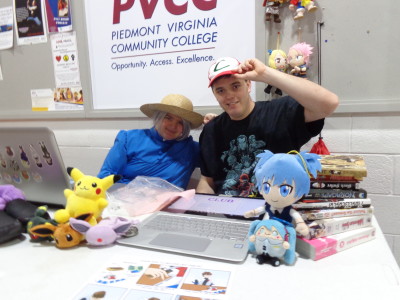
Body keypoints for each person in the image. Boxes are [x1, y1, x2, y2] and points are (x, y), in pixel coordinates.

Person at [197, 57, 339, 196]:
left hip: (275, 213)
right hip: (230, 215)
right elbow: (207, 181)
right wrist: (197, 215)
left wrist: (265, 73)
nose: (229, 96)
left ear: (248, 85)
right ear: (214, 94)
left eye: (235, 86)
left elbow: (329, 103)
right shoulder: (212, 130)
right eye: (220, 90)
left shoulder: (280, 112)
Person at [98, 94, 204, 189]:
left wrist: (214, 125)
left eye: (180, 122)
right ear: (158, 117)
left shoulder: (191, 149)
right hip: (124, 204)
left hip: (168, 209)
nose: (173, 126)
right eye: (168, 118)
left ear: (185, 127)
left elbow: (218, 159)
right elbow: (105, 177)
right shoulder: (129, 139)